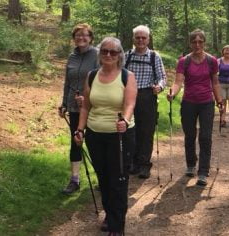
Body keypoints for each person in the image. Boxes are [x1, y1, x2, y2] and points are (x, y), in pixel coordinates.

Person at [74, 37, 137, 235]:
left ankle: (117, 228)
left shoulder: (127, 76)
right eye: (104, 51)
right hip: (95, 134)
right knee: (103, 179)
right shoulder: (92, 76)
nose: (108, 55)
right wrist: (80, 129)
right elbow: (86, 106)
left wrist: (124, 121)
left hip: (120, 136)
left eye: (113, 52)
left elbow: (129, 104)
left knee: (118, 179)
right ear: (100, 54)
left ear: (120, 56)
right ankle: (110, 216)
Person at [167, 29, 223, 186]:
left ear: (204, 43)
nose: (197, 44)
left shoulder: (212, 61)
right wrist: (173, 93)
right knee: (190, 135)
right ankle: (191, 164)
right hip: (189, 102)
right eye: (194, 41)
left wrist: (219, 100)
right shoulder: (184, 61)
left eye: (200, 41)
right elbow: (178, 82)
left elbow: (215, 82)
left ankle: (203, 172)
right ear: (190, 43)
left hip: (206, 102)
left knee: (205, 137)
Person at [58, 23, 99, 195]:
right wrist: (64, 103)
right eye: (77, 35)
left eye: (84, 35)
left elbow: (102, 80)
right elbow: (68, 82)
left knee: (96, 144)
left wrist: (89, 97)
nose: (81, 38)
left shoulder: (97, 55)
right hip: (74, 108)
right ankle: (74, 180)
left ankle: (103, 178)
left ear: (91, 38)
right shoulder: (71, 57)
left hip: (94, 107)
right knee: (76, 142)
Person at [124, 25, 167, 179]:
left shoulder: (154, 56)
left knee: (146, 131)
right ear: (133, 39)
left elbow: (162, 77)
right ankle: (132, 163)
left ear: (148, 39)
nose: (141, 40)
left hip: (147, 96)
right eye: (138, 37)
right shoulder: (126, 55)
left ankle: (144, 165)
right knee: (130, 131)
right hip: (128, 97)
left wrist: (159, 87)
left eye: (144, 37)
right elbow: (119, 75)